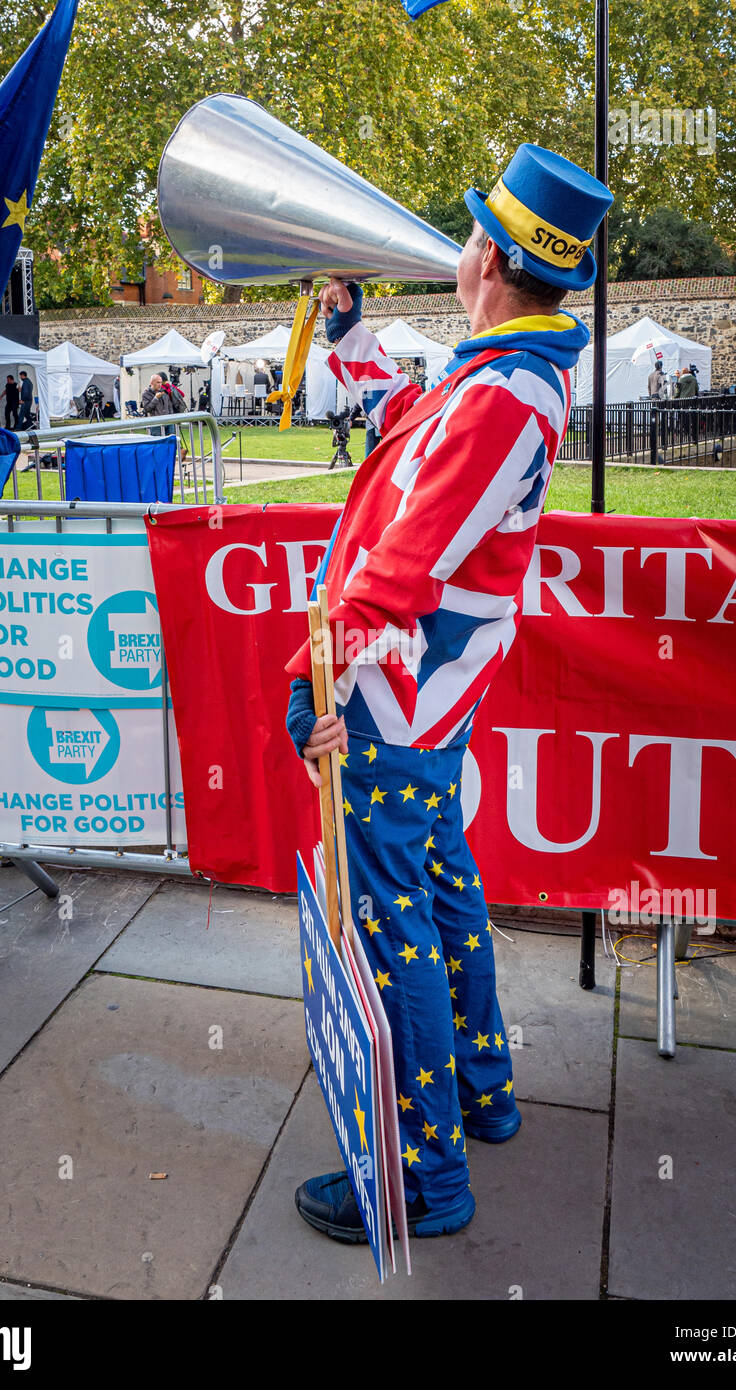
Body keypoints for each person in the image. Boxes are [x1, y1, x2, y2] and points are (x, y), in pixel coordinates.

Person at [284, 143, 613, 1241]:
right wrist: (349, 334)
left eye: (474, 231)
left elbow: (410, 552)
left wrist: (321, 667)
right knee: (442, 879)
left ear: (487, 257)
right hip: (431, 689)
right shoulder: (506, 368)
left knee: (393, 932)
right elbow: (401, 432)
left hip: (395, 690)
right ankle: (485, 1090)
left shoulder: (507, 390)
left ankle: (425, 1180)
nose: (462, 244)